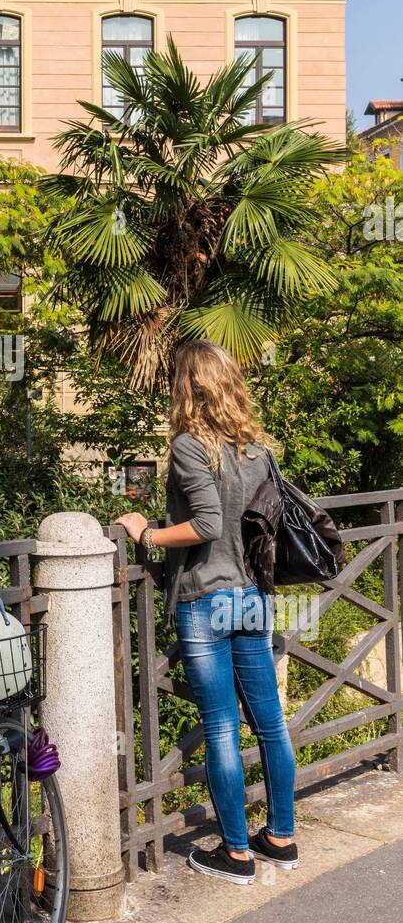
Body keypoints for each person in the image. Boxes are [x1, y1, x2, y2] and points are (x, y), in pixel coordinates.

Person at [118, 340, 298, 885]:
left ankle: (237, 852)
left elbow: (207, 524)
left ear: (187, 386)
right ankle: (282, 838)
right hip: (253, 597)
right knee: (269, 724)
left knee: (221, 727)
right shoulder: (256, 450)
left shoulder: (190, 447)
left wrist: (147, 533)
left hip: (206, 597)